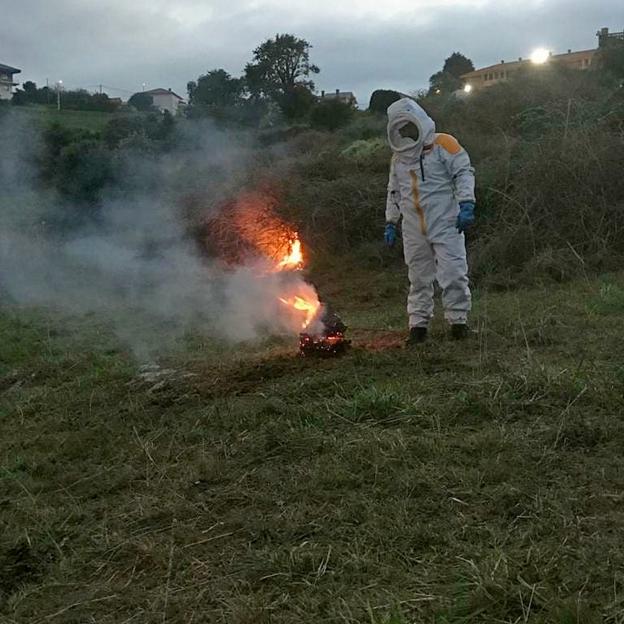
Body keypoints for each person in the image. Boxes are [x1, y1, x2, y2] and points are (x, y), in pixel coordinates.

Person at [384, 97, 476, 345]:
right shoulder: (399, 157)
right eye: (401, 130)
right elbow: (394, 191)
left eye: (409, 128)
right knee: (418, 277)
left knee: (454, 272)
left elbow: (463, 171)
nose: (406, 133)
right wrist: (391, 221)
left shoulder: (444, 144)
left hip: (446, 220)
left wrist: (467, 203)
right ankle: (418, 327)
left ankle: (458, 323)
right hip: (413, 226)